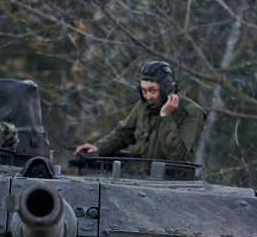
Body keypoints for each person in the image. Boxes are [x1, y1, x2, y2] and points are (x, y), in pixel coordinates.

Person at [75, 60, 205, 162]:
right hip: (139, 175)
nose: (148, 96)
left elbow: (177, 157)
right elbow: (125, 133)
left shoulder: (191, 112)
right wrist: (99, 147)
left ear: (168, 89)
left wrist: (165, 117)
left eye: (152, 90)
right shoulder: (145, 105)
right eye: (144, 90)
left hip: (172, 182)